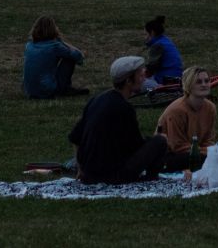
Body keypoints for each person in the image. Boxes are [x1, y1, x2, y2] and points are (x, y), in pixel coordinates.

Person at [68, 55, 168, 184]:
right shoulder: (124, 107)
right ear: (128, 81)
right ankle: (151, 179)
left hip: (89, 175)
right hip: (113, 176)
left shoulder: (97, 99)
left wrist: (81, 168)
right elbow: (135, 146)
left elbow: (75, 138)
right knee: (160, 141)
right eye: (140, 76)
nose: (144, 79)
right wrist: (155, 141)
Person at [155, 66, 218, 171]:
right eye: (198, 82)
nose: (204, 85)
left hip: (197, 152)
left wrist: (210, 151)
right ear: (189, 85)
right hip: (170, 155)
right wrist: (208, 153)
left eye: (207, 81)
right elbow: (177, 146)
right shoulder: (177, 110)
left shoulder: (210, 108)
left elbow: (209, 139)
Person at [22, 15, 88, 99]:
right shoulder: (55, 46)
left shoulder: (29, 45)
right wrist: (62, 42)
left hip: (29, 90)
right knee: (69, 59)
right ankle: (65, 89)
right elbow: (78, 55)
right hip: (46, 90)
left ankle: (63, 88)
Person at [143, 15, 183, 90]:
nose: (144, 37)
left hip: (166, 83)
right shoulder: (166, 41)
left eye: (145, 34)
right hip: (175, 80)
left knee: (136, 82)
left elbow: (150, 69)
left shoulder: (157, 45)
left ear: (152, 33)